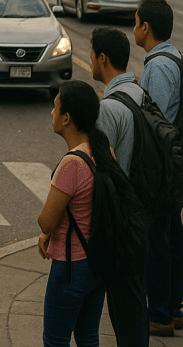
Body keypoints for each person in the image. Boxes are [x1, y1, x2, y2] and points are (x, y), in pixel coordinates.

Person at [38, 80, 119, 347]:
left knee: (55, 340)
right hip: (97, 261)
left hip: (70, 267)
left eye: (55, 107)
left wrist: (46, 231)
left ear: (67, 118)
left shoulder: (72, 163)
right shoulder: (103, 149)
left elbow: (46, 220)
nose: (52, 113)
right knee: (88, 337)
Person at [90, 27, 149, 347]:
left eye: (91, 55)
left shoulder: (109, 108)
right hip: (144, 208)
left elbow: (100, 168)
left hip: (123, 219)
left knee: (124, 307)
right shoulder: (139, 93)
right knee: (135, 300)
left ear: (102, 57)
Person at [133, 0, 183, 336]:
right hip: (173, 163)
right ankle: (173, 308)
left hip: (160, 167)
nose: (133, 28)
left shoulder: (158, 67)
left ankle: (160, 314)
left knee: (156, 241)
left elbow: (155, 122)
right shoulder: (174, 56)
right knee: (172, 236)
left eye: (135, 22)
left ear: (145, 27)